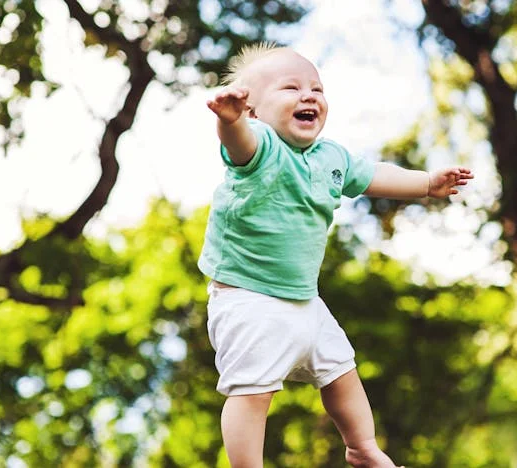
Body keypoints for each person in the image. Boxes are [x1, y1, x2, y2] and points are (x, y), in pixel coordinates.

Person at [199, 42, 473, 468]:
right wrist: (229, 121)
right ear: (253, 111)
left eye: (317, 88)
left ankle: (362, 448)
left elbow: (375, 175)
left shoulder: (332, 156)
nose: (308, 95)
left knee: (342, 371)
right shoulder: (261, 147)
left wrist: (426, 184)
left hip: (305, 300)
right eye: (290, 88)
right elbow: (238, 144)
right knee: (253, 391)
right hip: (248, 299)